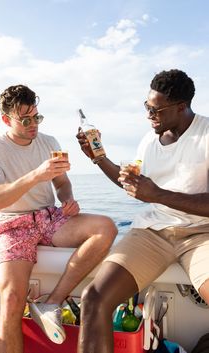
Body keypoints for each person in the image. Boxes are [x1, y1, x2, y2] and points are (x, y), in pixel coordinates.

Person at [76, 69, 209, 353]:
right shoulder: (149, 141)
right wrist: (99, 158)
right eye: (146, 107)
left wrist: (158, 194)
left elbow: (152, 192)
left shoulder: (206, 134)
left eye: (155, 110)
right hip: (151, 233)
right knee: (93, 299)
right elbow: (133, 185)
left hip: (201, 235)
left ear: (181, 107)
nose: (149, 115)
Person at [0, 84, 118, 353]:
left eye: (37, 118)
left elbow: (62, 183)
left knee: (105, 228)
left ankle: (52, 303)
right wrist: (36, 175)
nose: (34, 125)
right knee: (11, 300)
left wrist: (67, 200)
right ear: (7, 120)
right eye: (26, 120)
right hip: (12, 224)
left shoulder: (49, 142)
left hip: (48, 217)